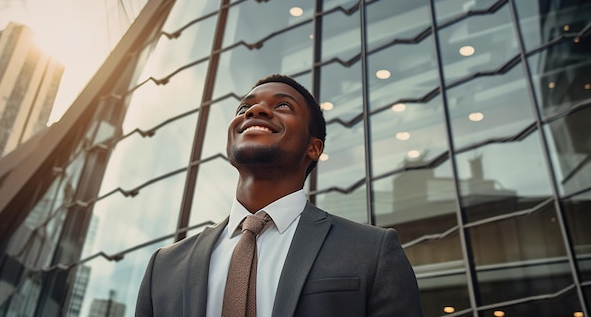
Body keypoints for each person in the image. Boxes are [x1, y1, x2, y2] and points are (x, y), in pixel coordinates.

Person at [135, 74, 423, 316]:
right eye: (244, 108)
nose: (254, 111)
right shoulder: (164, 266)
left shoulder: (371, 250)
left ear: (314, 148)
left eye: (283, 105)